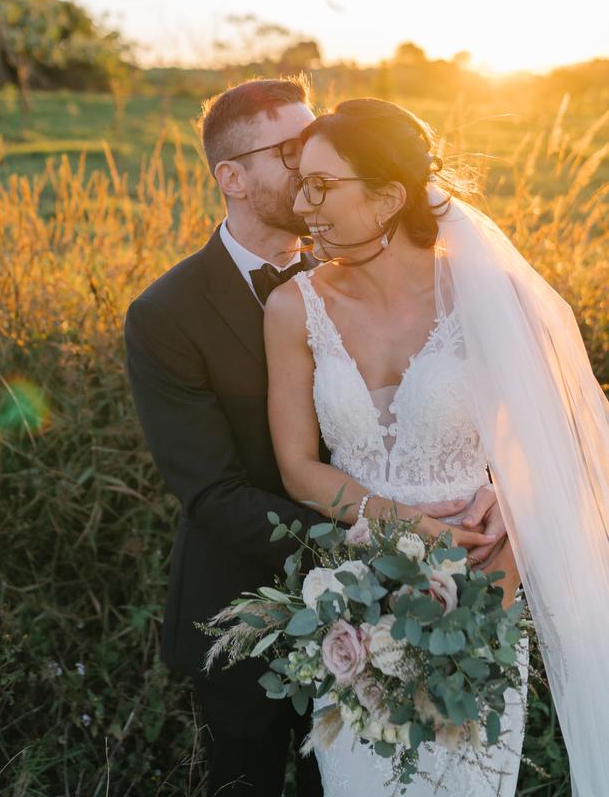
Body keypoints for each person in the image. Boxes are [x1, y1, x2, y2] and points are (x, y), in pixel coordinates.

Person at [124, 81, 508, 796]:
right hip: (249, 606)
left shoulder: (369, 260)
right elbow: (212, 493)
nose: (307, 172)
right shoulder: (166, 316)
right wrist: (380, 549)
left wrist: (493, 499)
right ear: (231, 177)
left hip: (431, 601)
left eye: (317, 153)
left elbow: (467, 420)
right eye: (290, 153)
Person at [264, 98, 609, 796]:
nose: (303, 205)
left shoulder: (494, 296)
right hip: (353, 604)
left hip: (481, 592)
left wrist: (509, 518)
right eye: (301, 183)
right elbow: (298, 467)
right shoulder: (292, 307)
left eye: (321, 185)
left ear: (389, 195)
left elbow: (560, 447)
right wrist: (405, 524)